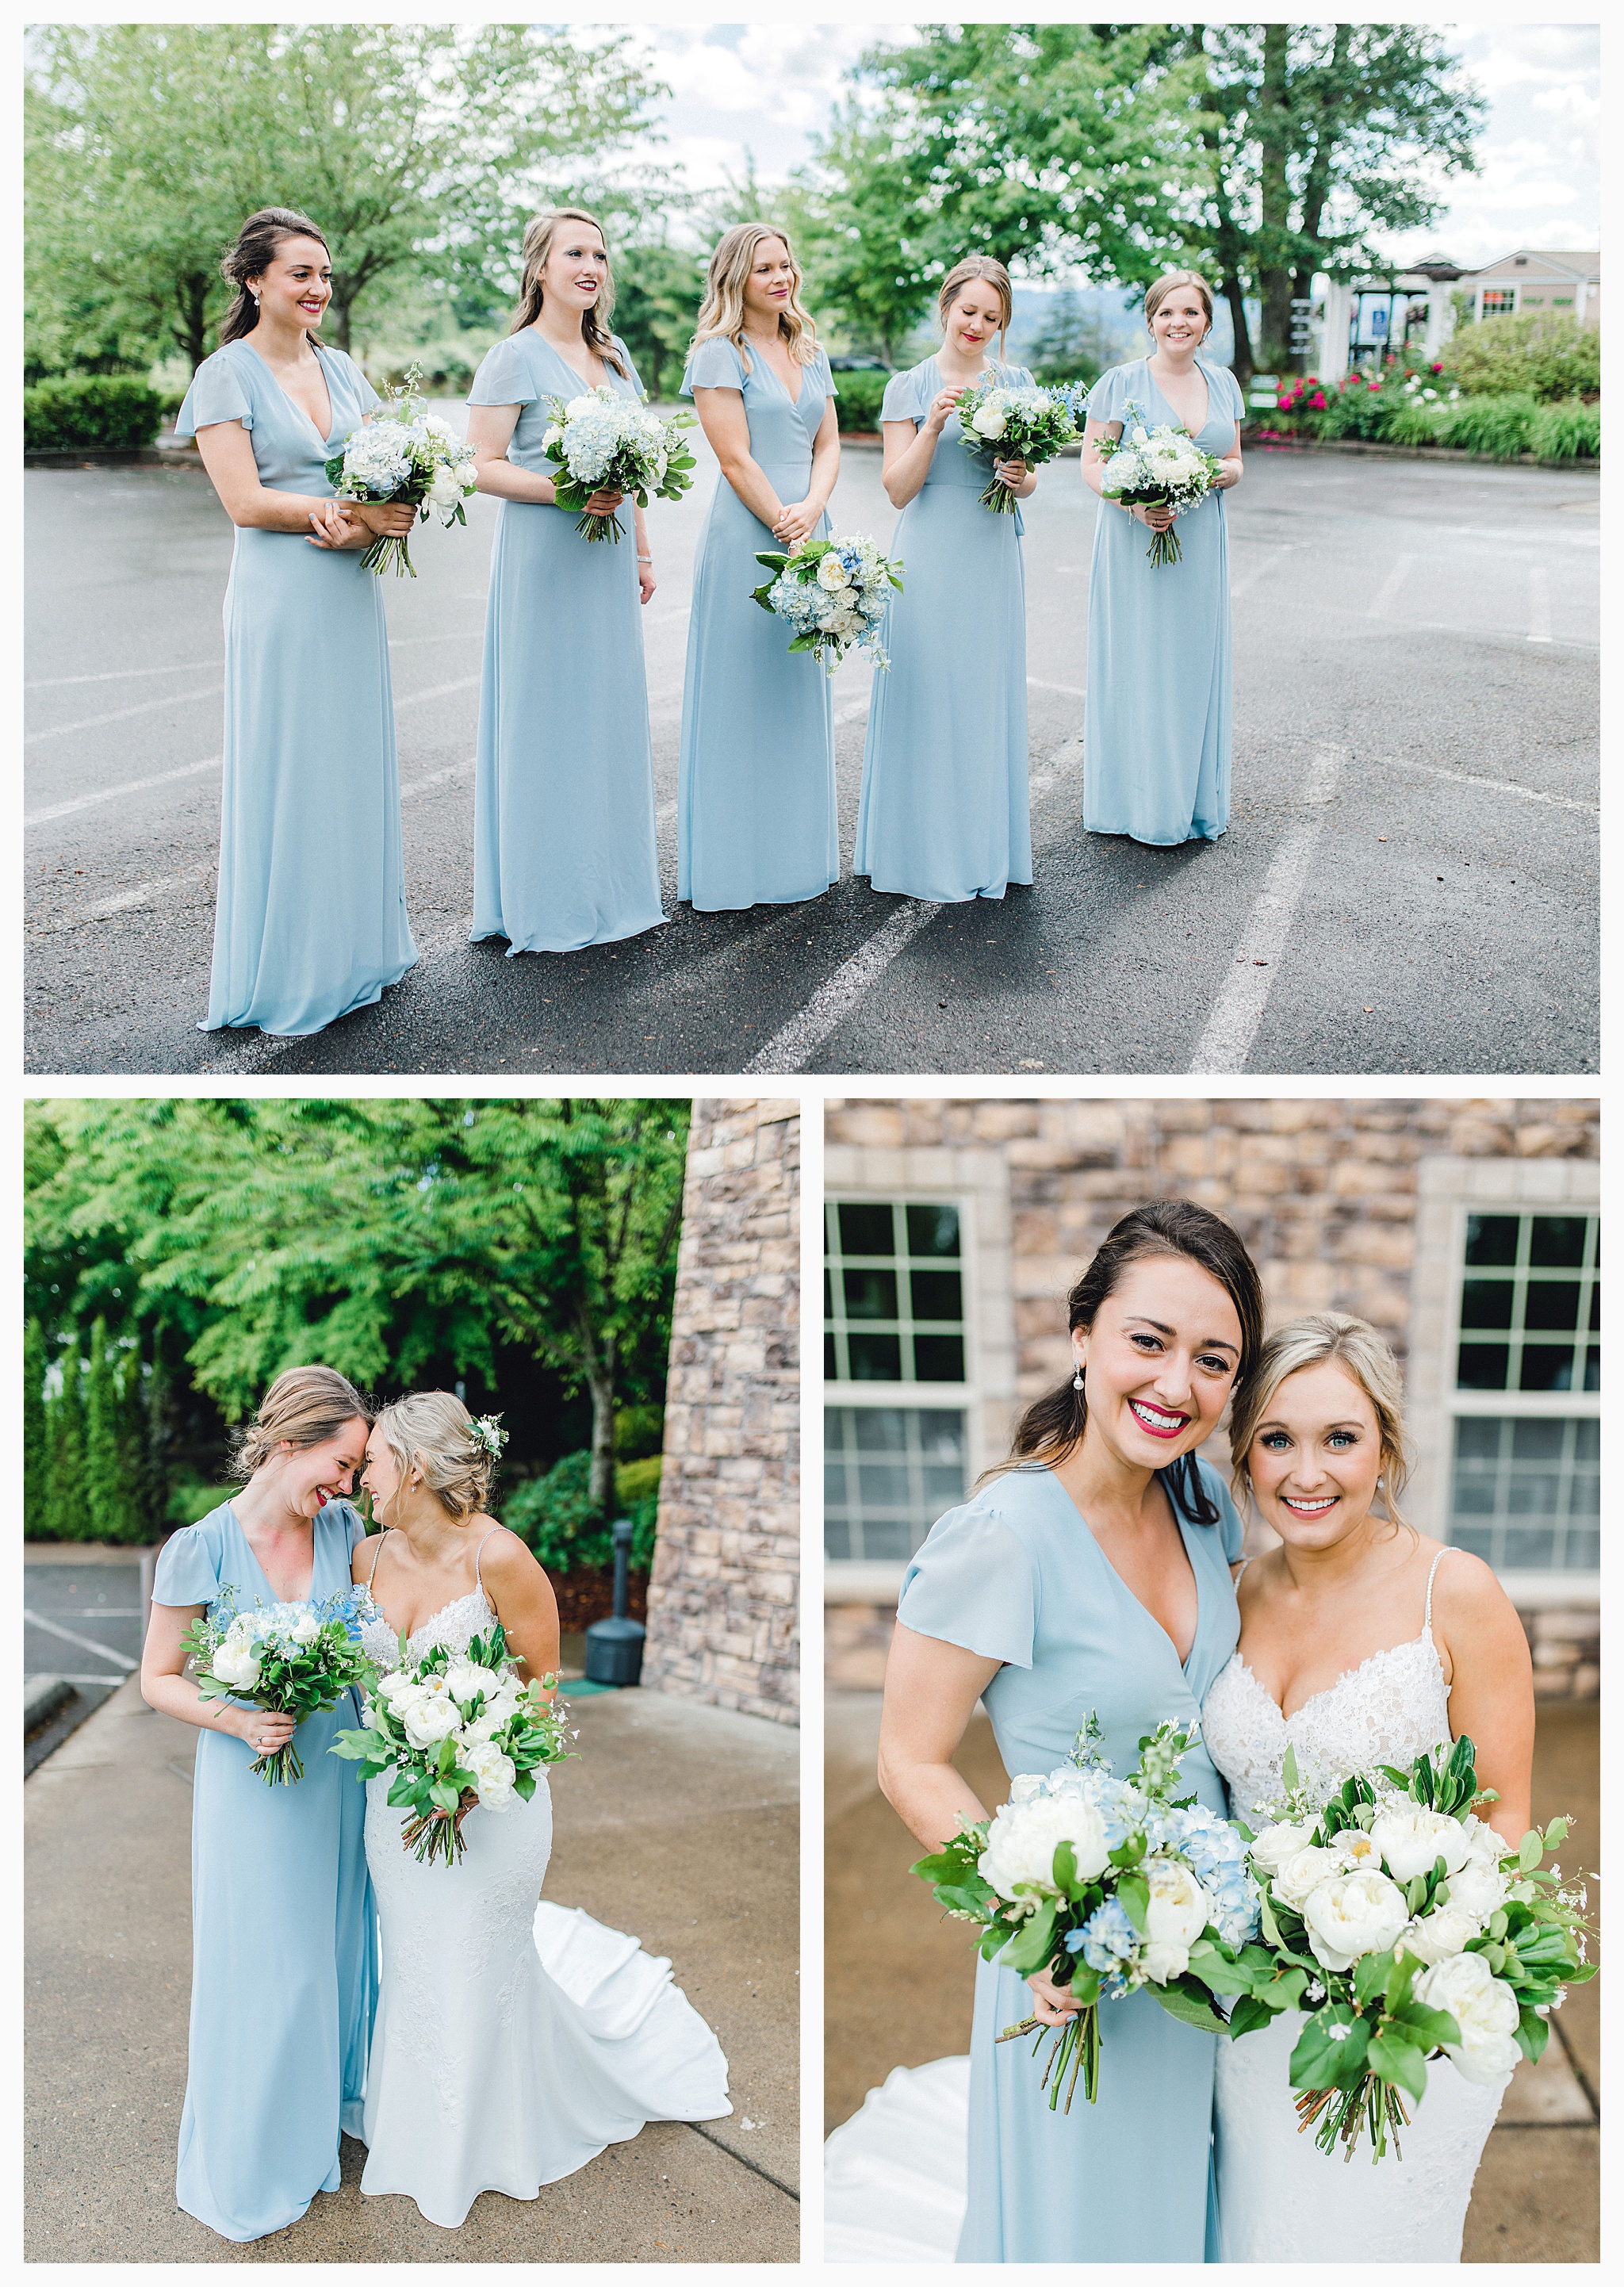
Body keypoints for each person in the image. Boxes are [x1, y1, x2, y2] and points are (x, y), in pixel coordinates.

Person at [829, 1201, 1266, 2263]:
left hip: (1207, 1966)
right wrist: (1040, 1920)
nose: (1177, 1387)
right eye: (1148, 1343)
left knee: (1180, 2219)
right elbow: (910, 1760)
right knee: (1079, 2236)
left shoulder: (1210, 1505)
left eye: (1215, 1361)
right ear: (1084, 1337)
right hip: (1075, 1969)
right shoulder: (999, 1537)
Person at [350, 1393, 730, 2228]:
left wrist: (473, 1773)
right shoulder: (362, 1558)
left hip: (492, 1805)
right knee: (415, 1962)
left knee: (477, 1962)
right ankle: (415, 2124)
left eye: (373, 1460)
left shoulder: (503, 1559)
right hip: (394, 1805)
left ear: (413, 1467)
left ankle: (474, 2144)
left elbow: (542, 1696)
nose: (360, 1476)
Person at [1201, 1313, 1534, 2262]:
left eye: (1338, 1438)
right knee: (1262, 2235)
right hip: (1254, 2013)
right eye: (1276, 1439)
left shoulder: (1453, 1591)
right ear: (1243, 1454)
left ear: (1382, 1446)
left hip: (1403, 2011)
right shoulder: (1223, 1594)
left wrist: (1415, 1959)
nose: (1306, 1473)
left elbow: (1503, 1811)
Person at [140, 1366, 376, 2242]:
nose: (346, 1485)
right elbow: (157, 1679)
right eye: (339, 1463)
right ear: (287, 1445)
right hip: (250, 1780)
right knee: (260, 1958)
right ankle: (255, 2141)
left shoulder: (344, 1527)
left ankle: (317, 2125)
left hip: (337, 1779)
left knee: (327, 1950)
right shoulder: (197, 1547)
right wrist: (236, 1718)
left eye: (353, 1471)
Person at [175, 209, 418, 1035]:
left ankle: (354, 950)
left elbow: (400, 464)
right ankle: (290, 966)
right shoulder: (224, 375)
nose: (317, 288)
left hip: (349, 595)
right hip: (281, 597)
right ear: (254, 281)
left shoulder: (344, 369)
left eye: (323, 275)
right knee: (293, 770)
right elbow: (243, 501)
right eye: (299, 275)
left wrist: (398, 507)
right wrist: (343, 515)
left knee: (347, 767)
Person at [465, 209, 666, 956]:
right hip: (545, 558)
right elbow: (479, 465)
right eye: (574, 253)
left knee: (605, 717)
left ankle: (607, 886)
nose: (591, 266)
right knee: (547, 720)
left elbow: (637, 468)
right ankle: (546, 897)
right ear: (539, 268)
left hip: (607, 556)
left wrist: (641, 551)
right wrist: (564, 492)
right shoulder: (511, 357)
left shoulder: (615, 359)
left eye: (600, 255)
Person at [854, 256, 1036, 903]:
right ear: (946, 308)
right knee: (925, 693)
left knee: (981, 697)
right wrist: (931, 426)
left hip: (990, 552)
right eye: (969, 312)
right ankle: (915, 850)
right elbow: (898, 490)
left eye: (992, 317)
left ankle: (980, 846)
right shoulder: (907, 385)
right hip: (928, 554)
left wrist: (1021, 476)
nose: (978, 325)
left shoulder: (1017, 382)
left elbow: (1031, 476)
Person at [678, 224, 841, 911]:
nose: (782, 277)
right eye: (764, 268)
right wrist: (784, 520)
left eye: (786, 265)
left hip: (807, 521)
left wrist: (813, 509)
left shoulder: (809, 347)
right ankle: (736, 864)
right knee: (744, 691)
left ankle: (795, 856)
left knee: (795, 687)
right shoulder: (719, 354)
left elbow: (827, 440)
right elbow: (734, 457)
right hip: (753, 530)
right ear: (736, 279)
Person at [1078, 270, 1246, 846]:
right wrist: (1136, 506)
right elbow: (1094, 466)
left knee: (1190, 665)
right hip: (1135, 544)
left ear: (1206, 324)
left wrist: (1221, 472)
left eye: (1191, 314)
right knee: (1139, 664)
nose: (1179, 323)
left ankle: (1192, 805)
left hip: (1200, 543)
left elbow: (1236, 461)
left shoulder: (1223, 383)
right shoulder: (1119, 383)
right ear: (1151, 320)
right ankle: (1132, 806)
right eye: (1168, 313)